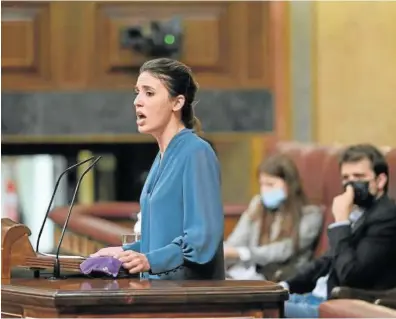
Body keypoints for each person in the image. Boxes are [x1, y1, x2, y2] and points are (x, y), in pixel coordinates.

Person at [91, 58, 225, 280]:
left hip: (190, 298)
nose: (137, 101)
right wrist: (124, 251)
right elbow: (160, 238)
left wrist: (150, 260)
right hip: (158, 292)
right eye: (137, 92)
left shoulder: (196, 152)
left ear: (177, 102)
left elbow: (203, 238)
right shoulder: (161, 157)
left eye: (149, 93)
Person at [281, 144, 396, 318]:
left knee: (259, 312)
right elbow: (326, 260)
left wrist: (341, 222)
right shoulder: (359, 213)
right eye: (346, 177)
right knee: (255, 304)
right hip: (314, 297)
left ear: (380, 181)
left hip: (337, 305)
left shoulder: (387, 218)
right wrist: (285, 285)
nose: (351, 185)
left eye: (358, 176)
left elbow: (350, 275)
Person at [224, 154, 323, 281]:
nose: (264, 190)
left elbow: (284, 251)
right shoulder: (257, 204)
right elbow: (236, 240)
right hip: (248, 272)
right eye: (262, 184)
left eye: (270, 184)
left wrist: (242, 253)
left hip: (282, 278)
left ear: (289, 184)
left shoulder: (310, 215)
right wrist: (224, 251)